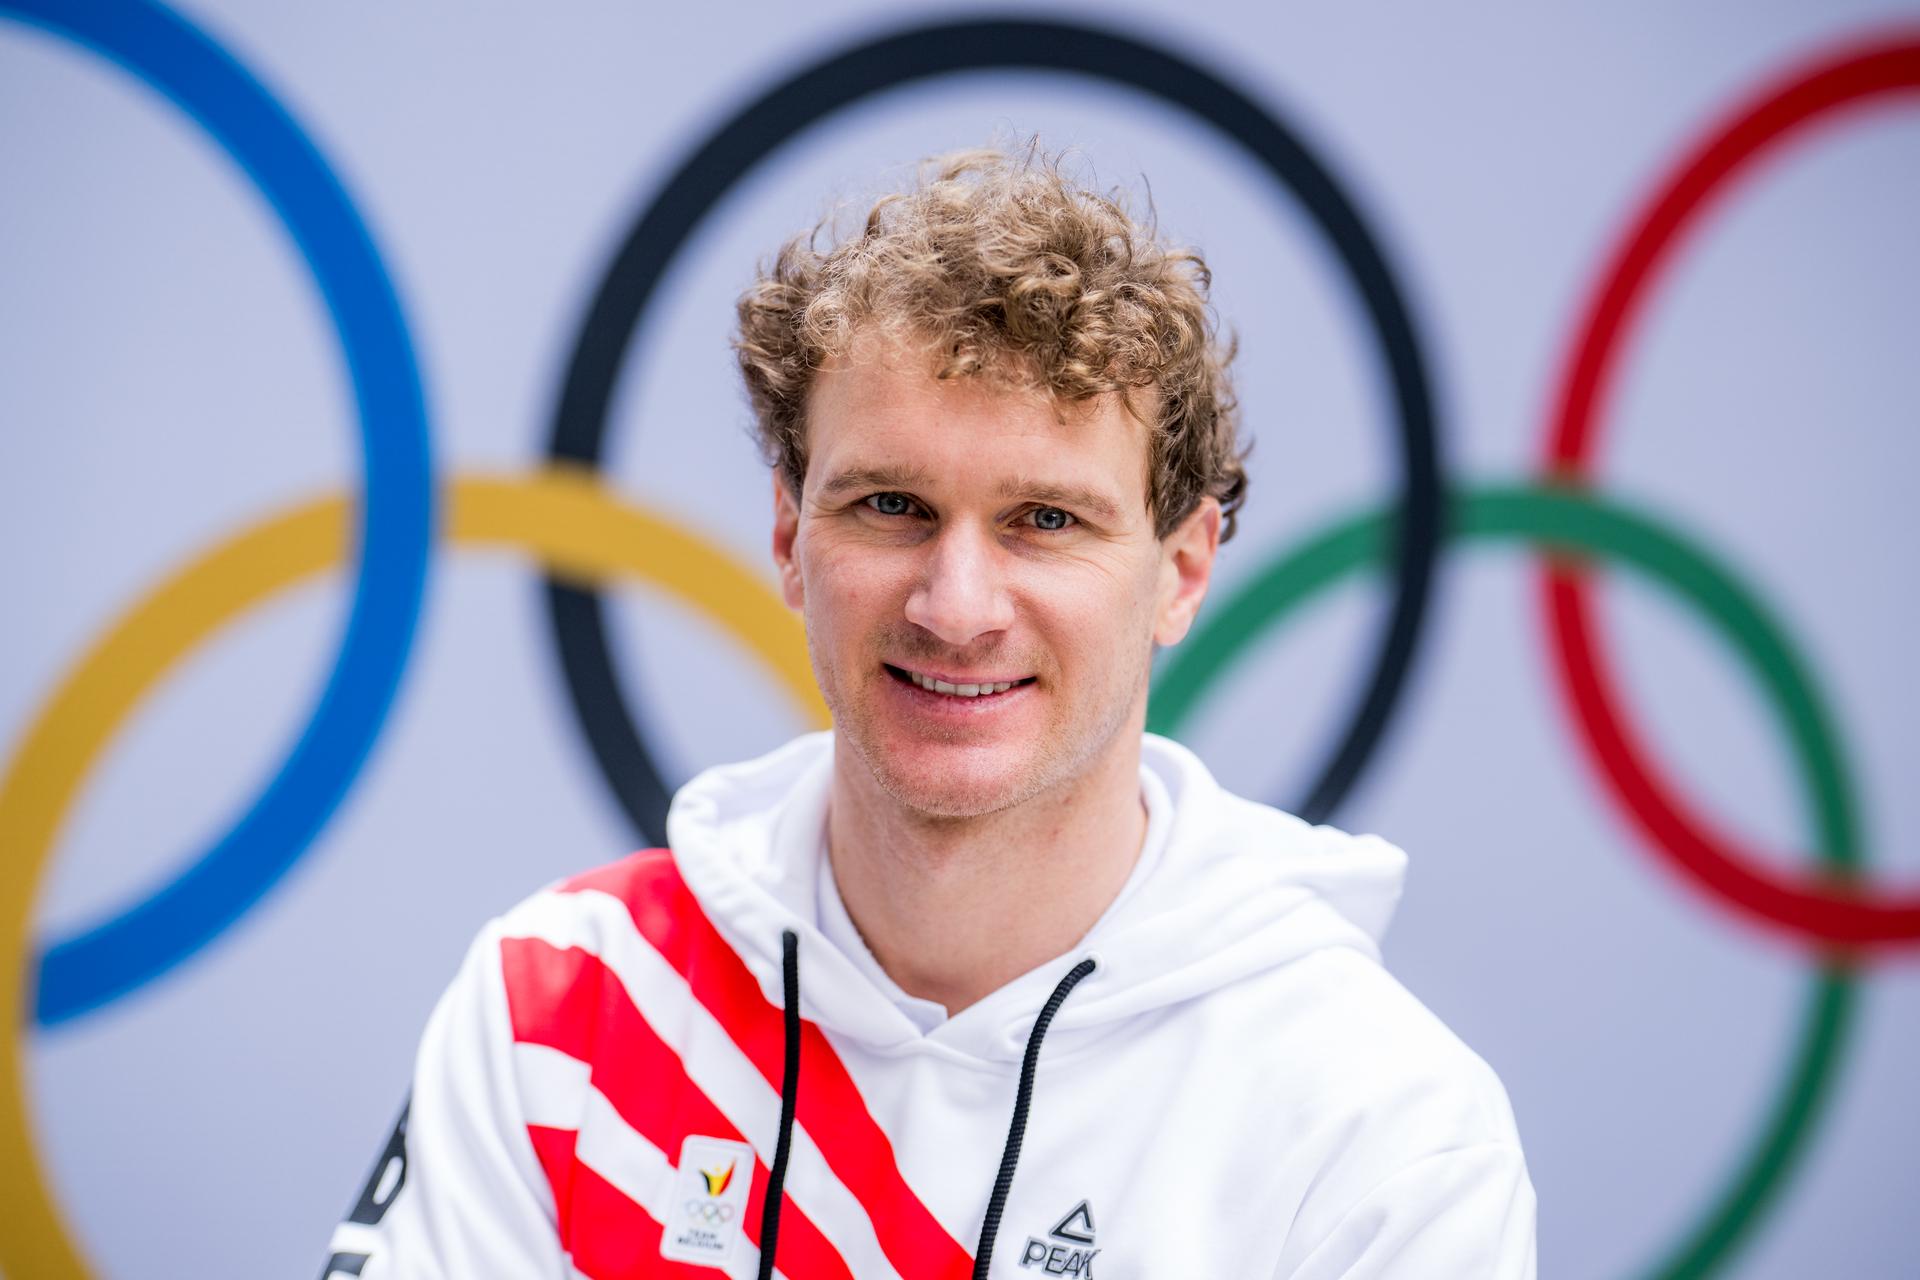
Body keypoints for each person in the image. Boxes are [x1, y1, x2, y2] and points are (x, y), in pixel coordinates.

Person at [323, 146, 1535, 1279]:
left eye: (1046, 519)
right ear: (792, 537)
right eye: (892, 504)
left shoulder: (1379, 1124)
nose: (955, 606)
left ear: (1182, 568)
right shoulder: (567, 1001)